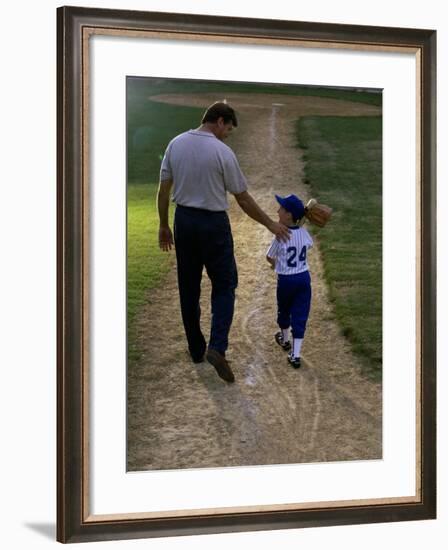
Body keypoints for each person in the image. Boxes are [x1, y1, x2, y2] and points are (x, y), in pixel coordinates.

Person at [157, 101, 290, 383]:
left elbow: (163, 189)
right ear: (219, 121)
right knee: (225, 284)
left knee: (188, 286)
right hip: (213, 225)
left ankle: (196, 349)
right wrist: (270, 223)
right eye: (227, 129)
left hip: (184, 221)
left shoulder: (175, 144)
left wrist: (163, 224)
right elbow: (242, 197)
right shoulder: (222, 152)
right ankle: (217, 347)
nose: (226, 135)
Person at [266, 194, 313, 369]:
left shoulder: (280, 235)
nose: (278, 210)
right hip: (303, 278)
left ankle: (285, 340)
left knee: (284, 309)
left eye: (282, 209)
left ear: (288, 215)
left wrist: (276, 266)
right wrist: (299, 229)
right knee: (300, 314)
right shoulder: (304, 233)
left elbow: (269, 257)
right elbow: (308, 244)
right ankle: (296, 355)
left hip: (286, 280)